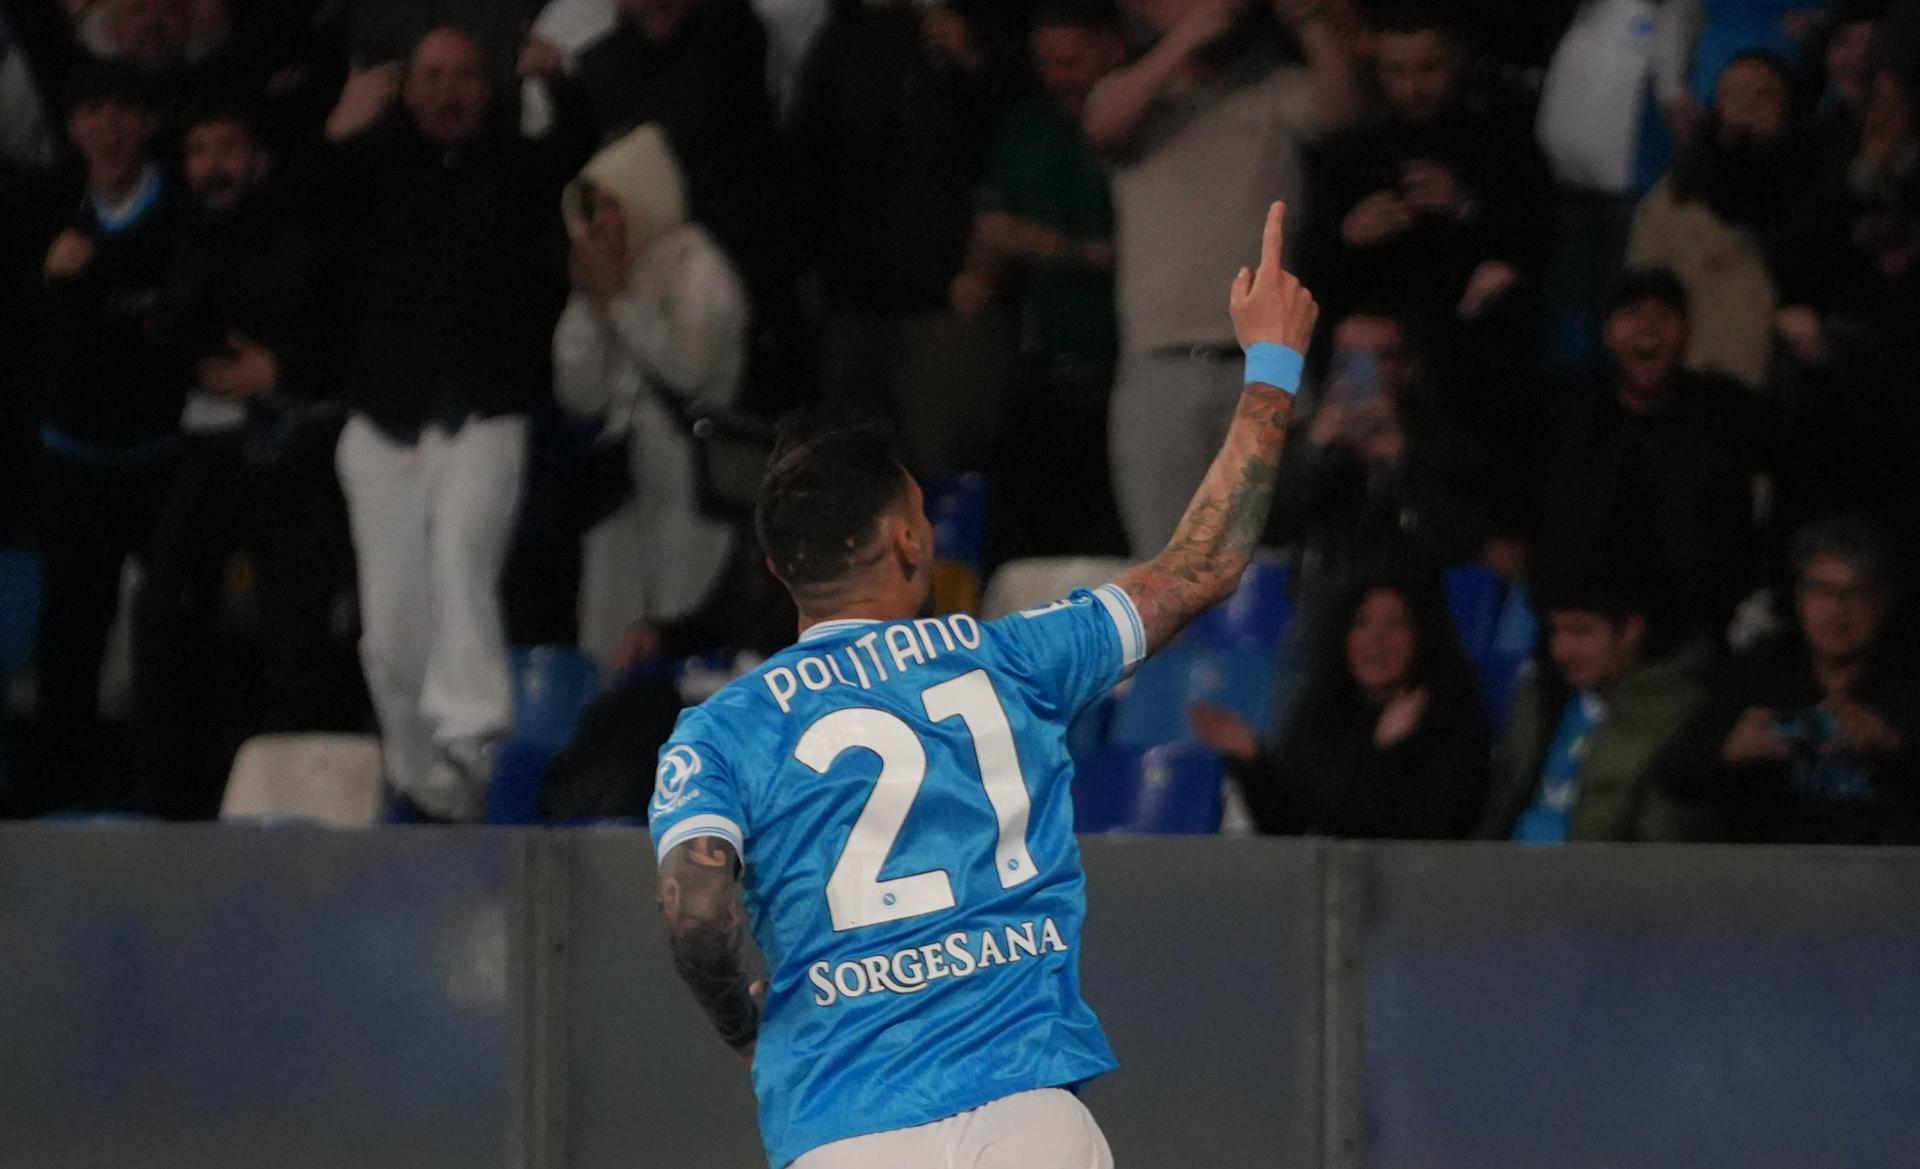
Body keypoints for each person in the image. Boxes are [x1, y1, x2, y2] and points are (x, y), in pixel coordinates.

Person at [647, 201, 1315, 1168]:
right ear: (910, 539)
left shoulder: (721, 733)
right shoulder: (1011, 658)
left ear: (783, 568)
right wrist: (1272, 369)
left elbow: (696, 907)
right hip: (1026, 1115)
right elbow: (1200, 567)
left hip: (843, 1129)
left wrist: (744, 1023)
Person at [315, 28, 570, 821]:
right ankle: (429, 786)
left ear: (486, 90)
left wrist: (554, 94)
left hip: (485, 416)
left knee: (461, 556)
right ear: (405, 88)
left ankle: (473, 732)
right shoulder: (363, 170)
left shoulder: (516, 167)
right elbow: (297, 230)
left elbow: (562, 171)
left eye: (465, 74)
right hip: (384, 423)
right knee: (389, 630)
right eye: (432, 76)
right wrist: (333, 135)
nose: (448, 91)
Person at [128, 102, 354, 819]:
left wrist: (282, 370)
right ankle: (170, 809)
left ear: (259, 160)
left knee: (296, 636)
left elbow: (352, 338)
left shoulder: (307, 233)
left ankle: (299, 810)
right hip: (200, 451)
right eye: (198, 150)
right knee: (165, 612)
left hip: (289, 455)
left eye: (228, 148)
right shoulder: (176, 235)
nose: (212, 166)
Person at [1085, 0, 1360, 555]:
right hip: (1159, 369)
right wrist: (1188, 36)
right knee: (1165, 570)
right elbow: (1101, 126)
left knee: (1272, 563)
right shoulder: (1135, 95)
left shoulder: (1272, 90)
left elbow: (1345, 113)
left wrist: (1305, 17)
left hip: (1263, 363)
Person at [27, 63, 185, 813]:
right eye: (92, 109)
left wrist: (90, 281)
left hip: (160, 459)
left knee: (169, 640)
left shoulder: (182, 209)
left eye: (124, 107)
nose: (109, 124)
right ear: (73, 126)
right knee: (67, 643)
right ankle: (55, 803)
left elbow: (170, 324)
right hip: (71, 459)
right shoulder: (47, 207)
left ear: (147, 121)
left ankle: (165, 799)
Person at [787, 0, 1022, 478]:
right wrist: (810, 270)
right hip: (855, 304)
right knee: (854, 479)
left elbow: (1022, 136)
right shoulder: (840, 41)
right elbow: (806, 162)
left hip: (950, 305)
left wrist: (972, 61)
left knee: (943, 472)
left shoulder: (981, 30)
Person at [551, 123, 748, 670]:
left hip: (690, 497)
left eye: (614, 204)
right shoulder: (613, 271)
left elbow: (686, 370)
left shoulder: (701, 269)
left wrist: (618, 298)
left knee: (677, 643)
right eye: (594, 209)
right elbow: (579, 392)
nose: (604, 222)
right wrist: (587, 303)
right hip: (621, 496)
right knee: (608, 650)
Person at [954, 0, 1128, 563]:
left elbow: (1117, 255)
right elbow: (993, 223)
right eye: (1048, 63)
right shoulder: (1030, 126)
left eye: (1071, 61)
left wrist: (1045, 244)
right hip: (1048, 370)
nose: (1059, 77)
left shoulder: (1141, 122)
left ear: (1110, 49)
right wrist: (984, 265)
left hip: (1124, 372)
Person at [1535, 268, 1776, 646]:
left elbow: (1805, 460)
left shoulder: (1724, 411)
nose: (1648, 329)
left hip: (1698, 635)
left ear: (1685, 335)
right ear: (1607, 333)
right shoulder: (1569, 407)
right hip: (1581, 631)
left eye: (1664, 316)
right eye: (1632, 314)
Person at [1654, 518, 1919, 843]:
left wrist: (1893, 745)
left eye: (1856, 593)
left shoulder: (1907, 673)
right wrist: (1733, 749)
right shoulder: (1762, 668)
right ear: (1799, 598)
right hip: (1769, 871)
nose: (1838, 609)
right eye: (1823, 591)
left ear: (1882, 601)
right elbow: (1673, 771)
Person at [1304, 6, 1552, 336]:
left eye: (1429, 69)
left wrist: (1465, 207)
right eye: (1397, 71)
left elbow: (1537, 238)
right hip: (1372, 343)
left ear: (1458, 58)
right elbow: (1310, 260)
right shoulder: (1354, 151)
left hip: (1472, 343)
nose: (1413, 89)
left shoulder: (1501, 139)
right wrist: (1350, 236)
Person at [1189, 575, 1492, 838]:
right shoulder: (1321, 712)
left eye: (1395, 623)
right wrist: (1253, 759)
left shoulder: (1453, 718)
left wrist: (1389, 753)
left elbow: (1418, 830)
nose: (1376, 638)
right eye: (1362, 622)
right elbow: (1297, 824)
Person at [1264, 305, 1509, 608]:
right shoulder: (1301, 442)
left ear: (1408, 366)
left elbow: (1462, 545)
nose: (1363, 371)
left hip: (1417, 613)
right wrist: (1314, 452)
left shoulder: (1444, 444)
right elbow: (1268, 530)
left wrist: (1401, 461)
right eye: (1349, 357)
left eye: (1381, 357)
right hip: (1323, 609)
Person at [1478, 560, 1713, 842]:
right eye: (1556, 631)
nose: (1562, 650)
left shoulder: (1675, 714)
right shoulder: (1543, 700)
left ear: (1631, 631)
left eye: (1581, 632)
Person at [1627, 50, 1800, 388]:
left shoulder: (1812, 189)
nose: (1746, 106)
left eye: (1764, 94)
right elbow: (1642, 289)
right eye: (1733, 93)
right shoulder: (1673, 198)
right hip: (1693, 384)